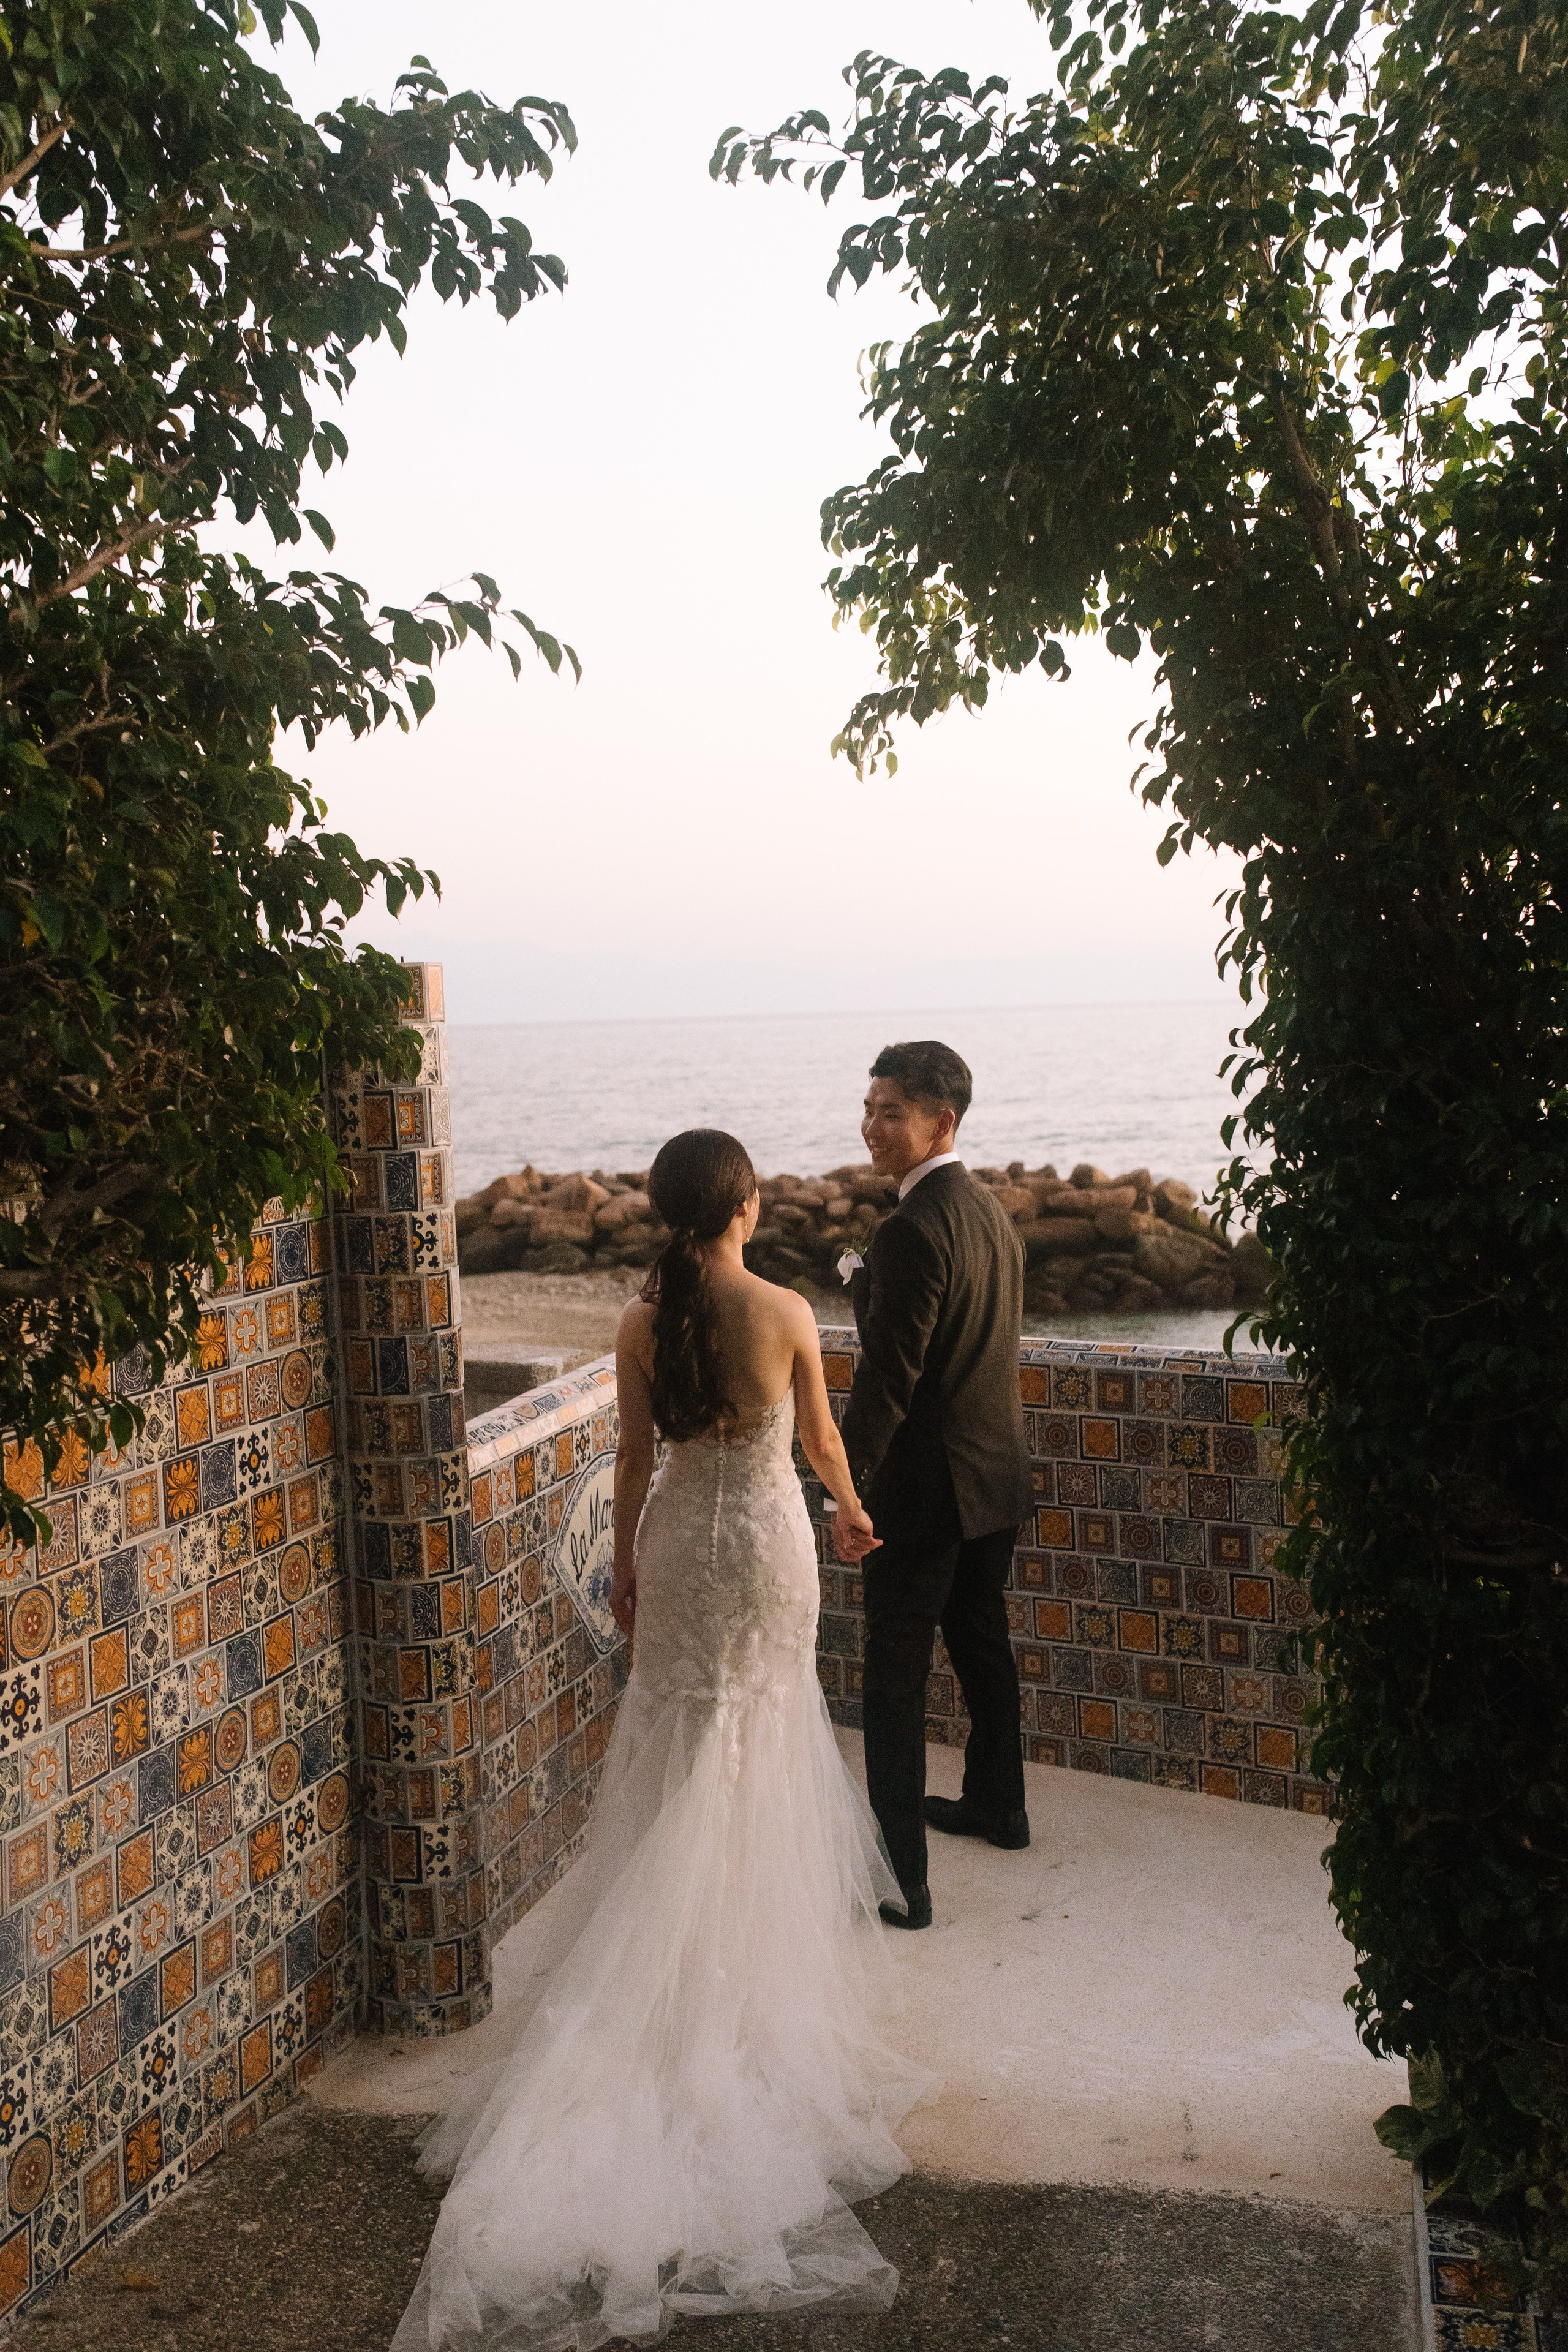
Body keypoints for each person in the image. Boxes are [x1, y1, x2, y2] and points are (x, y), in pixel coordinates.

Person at [394, 1128, 932, 2352]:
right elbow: (821, 1445)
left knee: (684, 1756)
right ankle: (734, 2008)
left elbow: (632, 1458)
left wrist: (633, 1573)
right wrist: (849, 1517)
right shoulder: (786, 1308)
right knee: (763, 1749)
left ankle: (670, 1996)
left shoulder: (642, 1324)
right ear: (739, 1203)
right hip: (764, 1555)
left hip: (683, 1548)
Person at [835, 1041, 1033, 1932]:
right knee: (983, 1646)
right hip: (995, 1476)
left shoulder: (912, 1228)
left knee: (895, 1681)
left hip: (926, 1495)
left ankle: (900, 1882)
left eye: (889, 1111)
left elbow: (889, 1380)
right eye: (869, 1108)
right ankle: (1001, 1808)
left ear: (939, 1121)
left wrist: (846, 1487)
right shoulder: (989, 1209)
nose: (871, 1126)